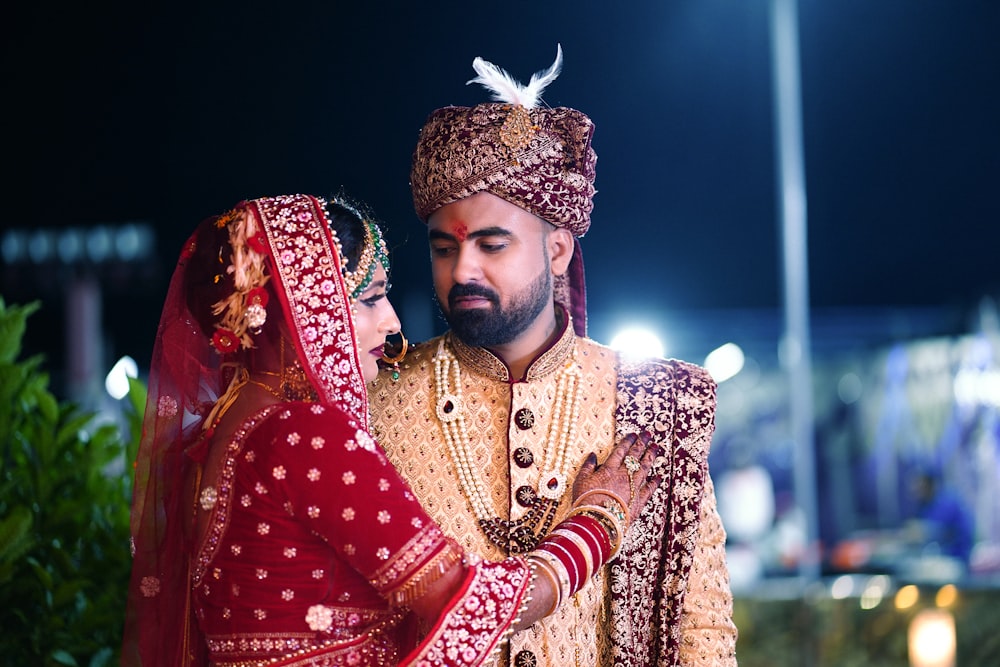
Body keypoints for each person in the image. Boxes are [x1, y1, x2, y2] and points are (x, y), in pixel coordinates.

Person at [120, 193, 663, 666]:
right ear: (307, 308)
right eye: (370, 298)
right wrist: (596, 524)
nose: (393, 323)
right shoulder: (306, 433)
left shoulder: (225, 425)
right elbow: (466, 603)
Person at [370, 47, 738, 666]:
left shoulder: (656, 404)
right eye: (443, 248)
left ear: (559, 250)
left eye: (492, 244)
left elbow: (698, 626)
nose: (463, 270)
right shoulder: (378, 398)